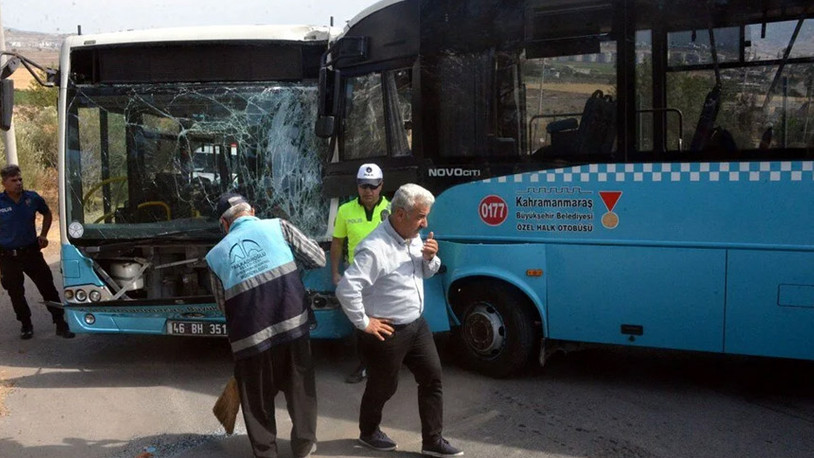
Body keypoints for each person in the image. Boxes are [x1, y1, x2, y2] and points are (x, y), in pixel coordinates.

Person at [336, 183, 463, 457]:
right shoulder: (374, 248)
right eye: (420, 216)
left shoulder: (413, 236)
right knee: (384, 387)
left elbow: (425, 273)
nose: (425, 222)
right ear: (401, 214)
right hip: (386, 331)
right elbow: (346, 289)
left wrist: (430, 258)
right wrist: (365, 322)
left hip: (416, 325)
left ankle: (432, 441)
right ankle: (368, 432)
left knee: (432, 378)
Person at [206, 192, 326, 458]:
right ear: (253, 211)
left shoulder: (214, 257)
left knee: (256, 402)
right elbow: (318, 259)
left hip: (250, 338)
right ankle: (304, 445)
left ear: (224, 225)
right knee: (300, 389)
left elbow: (223, 305)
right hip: (293, 326)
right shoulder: (279, 226)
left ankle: (266, 453)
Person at [331, 163, 390, 384]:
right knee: (361, 323)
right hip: (356, 275)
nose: (369, 191)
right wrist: (335, 272)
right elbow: (337, 244)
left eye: (373, 186)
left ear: (381, 185)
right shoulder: (345, 210)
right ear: (357, 186)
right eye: (364, 186)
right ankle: (364, 365)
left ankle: (384, 364)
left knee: (386, 321)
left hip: (384, 276)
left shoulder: (392, 210)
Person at [0, 164, 74, 340]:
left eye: (20, 179)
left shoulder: (32, 198)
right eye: (14, 180)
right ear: (4, 183)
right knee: (15, 293)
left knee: (48, 287)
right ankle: (26, 324)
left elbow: (47, 214)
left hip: (31, 253)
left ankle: (60, 323)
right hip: (8, 257)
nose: (18, 183)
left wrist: (43, 234)